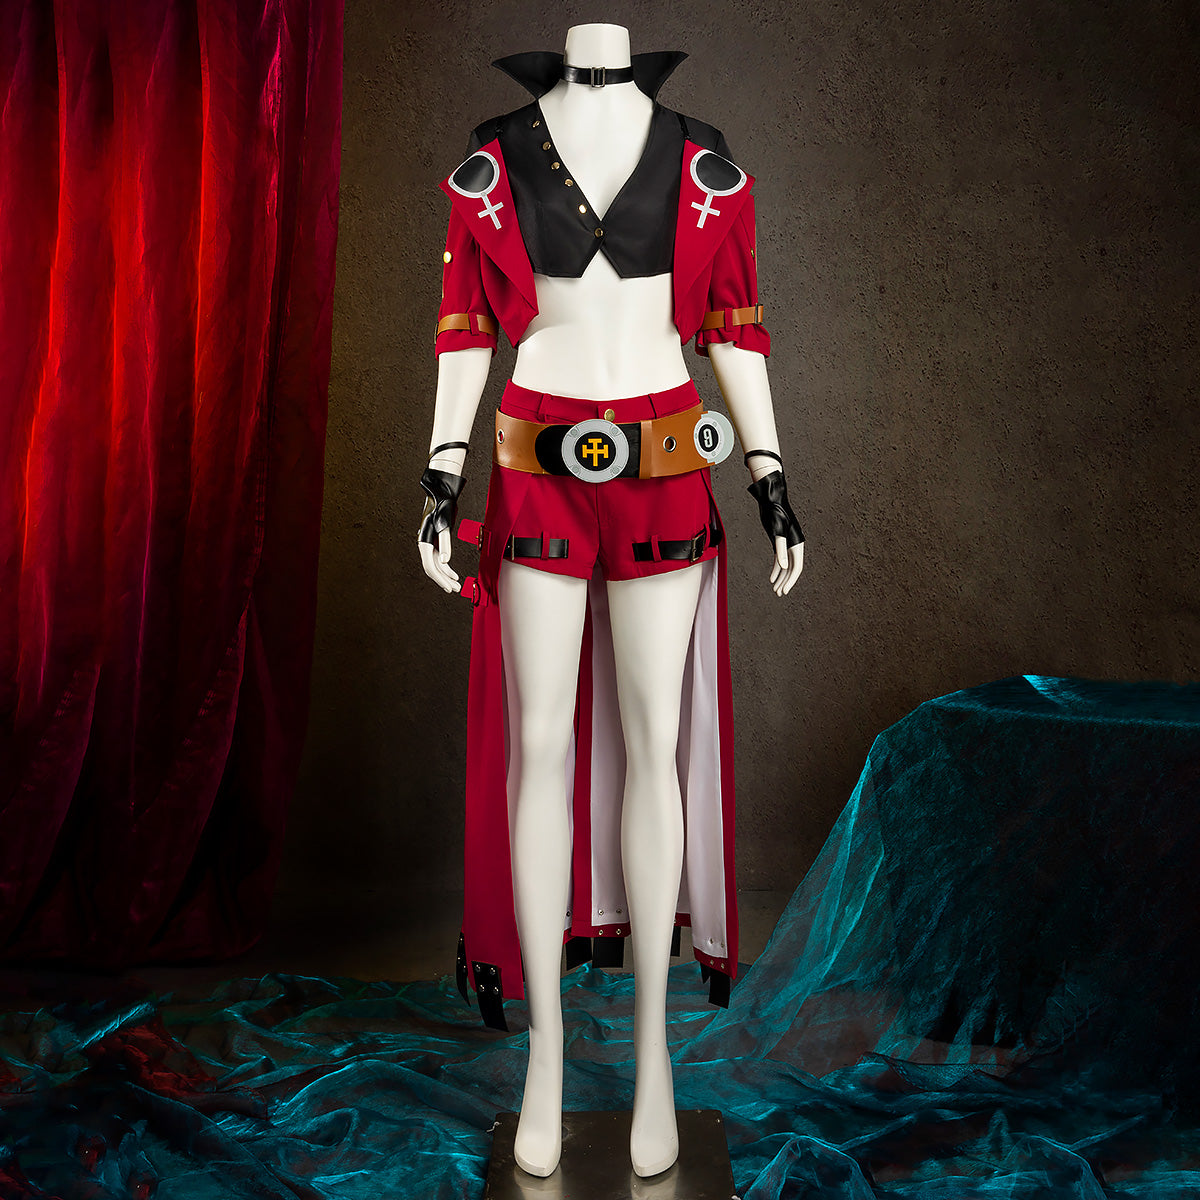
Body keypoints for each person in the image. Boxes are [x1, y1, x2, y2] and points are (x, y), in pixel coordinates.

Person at [417, 23, 804, 1178]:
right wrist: (440, 473)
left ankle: (653, 1063)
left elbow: (736, 328)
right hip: (533, 463)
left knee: (654, 747)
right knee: (537, 745)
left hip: (669, 461)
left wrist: (770, 475)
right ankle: (543, 1057)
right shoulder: (494, 159)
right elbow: (463, 329)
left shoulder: (701, 159)